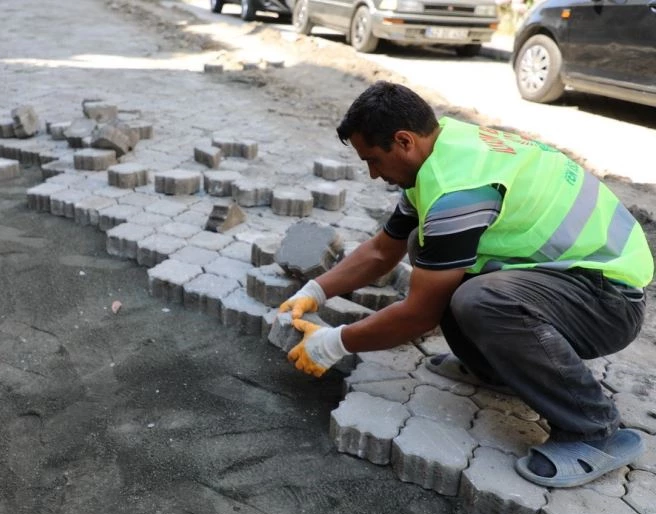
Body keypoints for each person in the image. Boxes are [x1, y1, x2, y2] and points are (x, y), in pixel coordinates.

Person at [279, 81, 653, 488]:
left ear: (403, 141)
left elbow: (419, 316)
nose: (373, 174)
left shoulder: (457, 192)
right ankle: (495, 369)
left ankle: (595, 431)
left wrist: (336, 342)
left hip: (609, 298)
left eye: (373, 159)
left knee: (480, 300)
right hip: (571, 275)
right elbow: (380, 252)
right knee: (424, 247)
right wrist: (313, 290)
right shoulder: (444, 151)